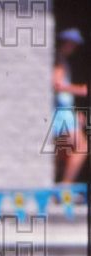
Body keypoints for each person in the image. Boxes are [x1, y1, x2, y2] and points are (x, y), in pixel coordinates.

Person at [52, 28, 88, 185]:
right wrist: (81, 90)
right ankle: (65, 187)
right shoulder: (58, 61)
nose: (73, 48)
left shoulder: (61, 60)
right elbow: (57, 85)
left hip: (65, 112)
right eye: (71, 44)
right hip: (61, 114)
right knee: (81, 147)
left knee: (62, 153)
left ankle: (59, 186)